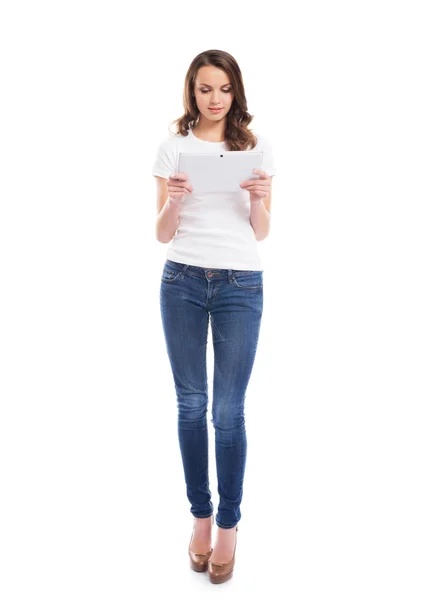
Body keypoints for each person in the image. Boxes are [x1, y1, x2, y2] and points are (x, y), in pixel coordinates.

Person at [152, 49, 276, 584]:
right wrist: (175, 200)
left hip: (239, 284)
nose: (215, 99)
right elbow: (161, 232)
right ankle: (199, 519)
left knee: (227, 410)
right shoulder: (172, 147)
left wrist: (261, 198)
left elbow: (263, 231)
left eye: (223, 89)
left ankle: (228, 526)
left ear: (235, 91)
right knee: (190, 405)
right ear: (192, 91)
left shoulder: (255, 146)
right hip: (181, 280)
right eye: (205, 89)